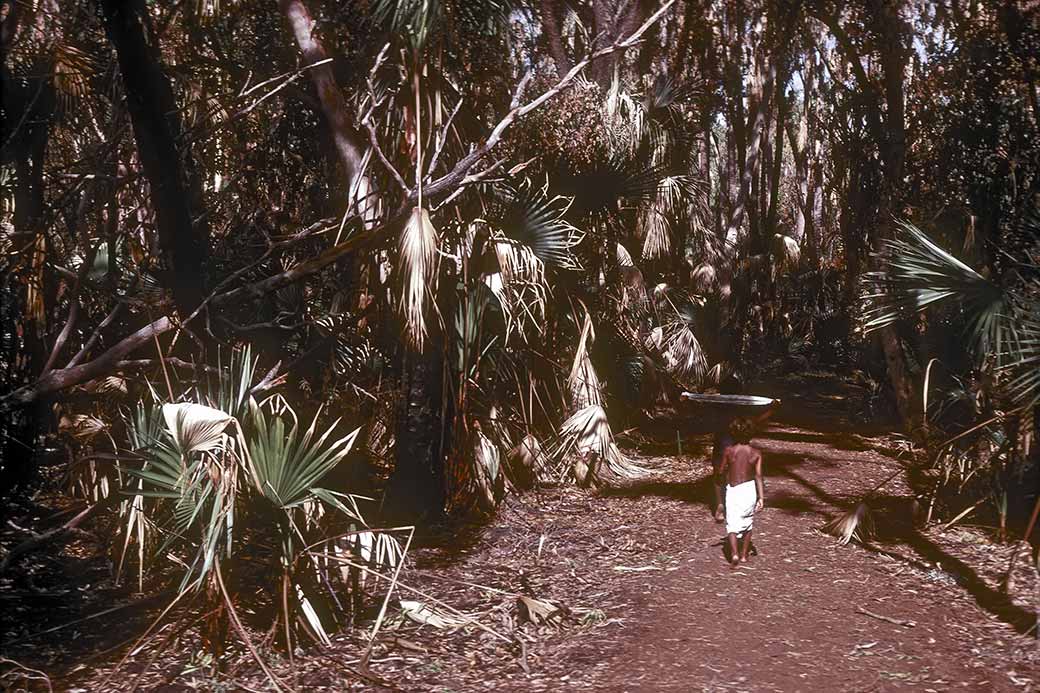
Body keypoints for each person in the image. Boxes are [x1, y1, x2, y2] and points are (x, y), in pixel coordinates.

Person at [718, 417, 764, 567]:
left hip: (733, 489)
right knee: (748, 522)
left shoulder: (729, 451)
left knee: (732, 523)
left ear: (733, 433)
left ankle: (734, 554)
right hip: (749, 489)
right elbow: (758, 476)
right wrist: (761, 498)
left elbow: (721, 470)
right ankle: (744, 555)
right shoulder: (756, 453)